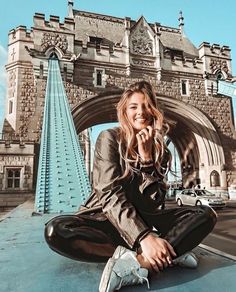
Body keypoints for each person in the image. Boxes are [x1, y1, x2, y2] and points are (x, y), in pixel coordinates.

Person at [45, 81, 217, 292]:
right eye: (134, 106)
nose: (141, 112)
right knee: (56, 231)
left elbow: (154, 205)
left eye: (146, 106)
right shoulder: (109, 138)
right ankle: (170, 252)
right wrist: (143, 237)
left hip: (144, 219)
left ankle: (139, 263)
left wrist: (146, 161)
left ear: (154, 111)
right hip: (105, 220)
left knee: (205, 214)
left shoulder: (162, 152)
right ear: (125, 112)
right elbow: (109, 193)